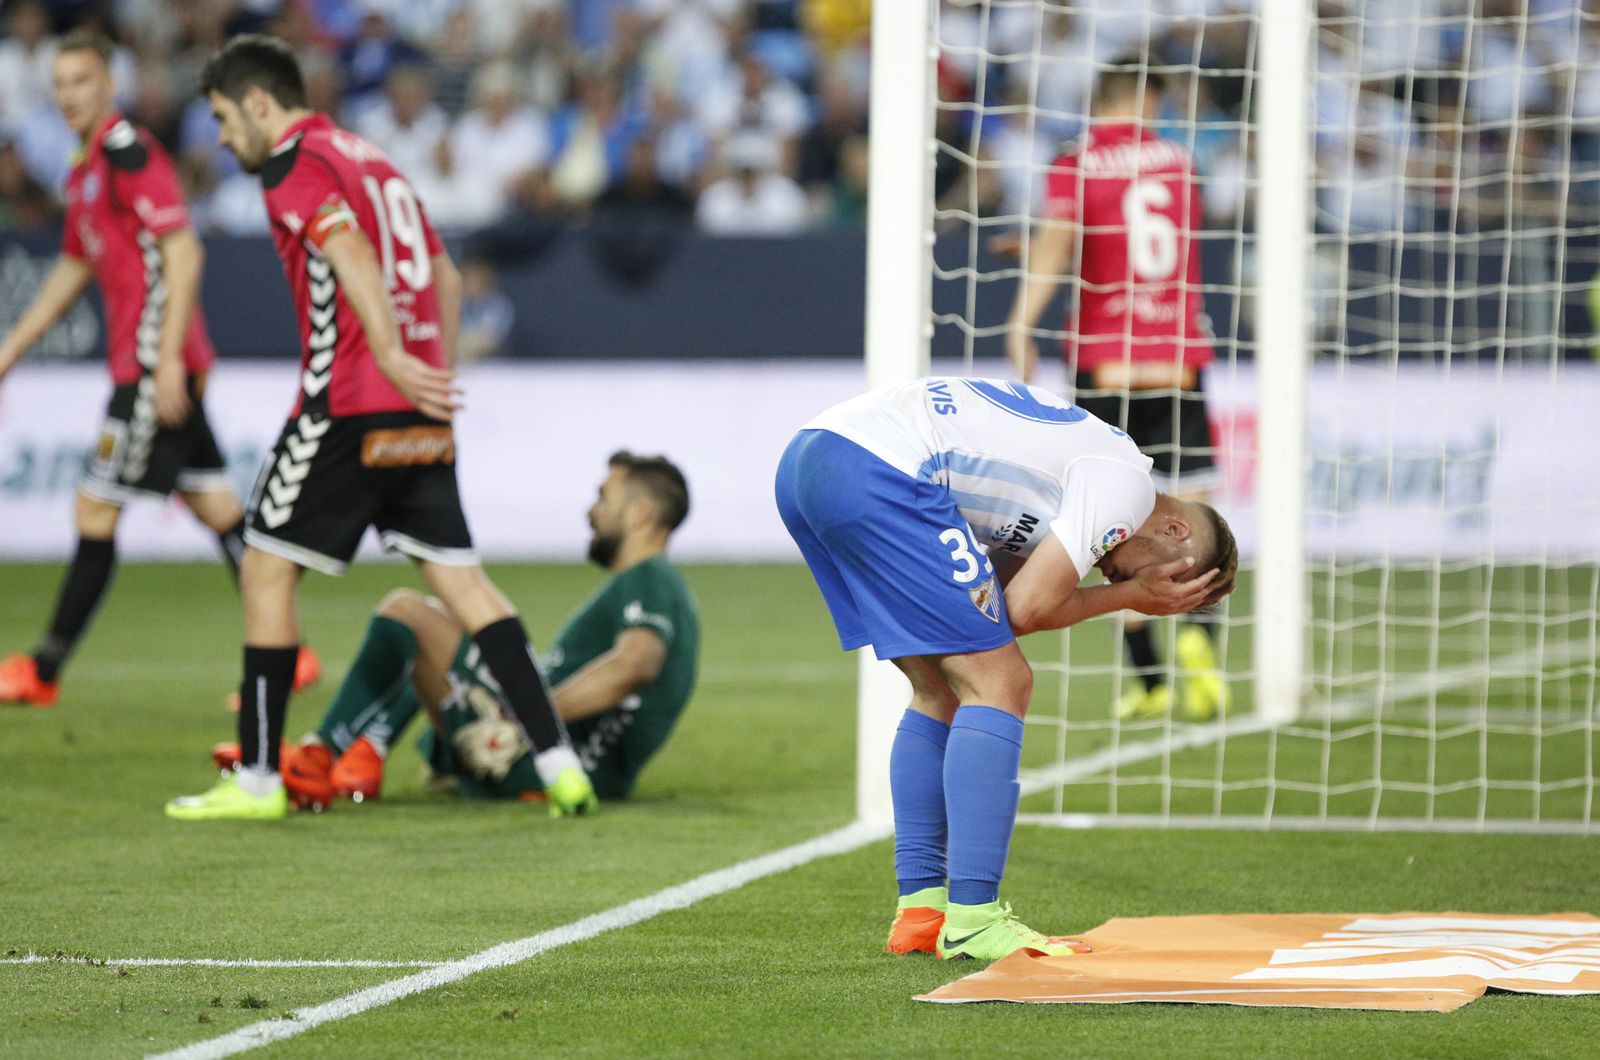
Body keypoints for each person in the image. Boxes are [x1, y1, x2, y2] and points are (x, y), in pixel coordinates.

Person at [165, 34, 595, 821]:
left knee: (263, 566)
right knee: (464, 583)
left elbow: (349, 250)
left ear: (260, 101)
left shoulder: (294, 164)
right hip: (418, 408)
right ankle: (561, 763)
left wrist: (392, 355)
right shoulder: (374, 158)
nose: (225, 139)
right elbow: (447, 273)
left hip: (350, 400)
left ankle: (258, 780)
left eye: (226, 119)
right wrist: (434, 372)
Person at [775, 376, 1236, 961]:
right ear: (1175, 531)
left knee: (942, 686)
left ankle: (923, 912)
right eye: (1172, 578)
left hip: (811, 459)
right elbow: (1029, 609)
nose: (1124, 581)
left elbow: (997, 617)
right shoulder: (1125, 489)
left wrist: (1126, 591)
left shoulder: (1074, 486)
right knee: (1003, 682)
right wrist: (1131, 598)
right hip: (879, 466)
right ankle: (975, 919)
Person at [0, 30, 317, 708]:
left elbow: (184, 251)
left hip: (151, 362)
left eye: (81, 82)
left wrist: (168, 358)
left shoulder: (128, 152)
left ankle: (44, 668)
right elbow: (74, 266)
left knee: (95, 503)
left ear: (108, 85)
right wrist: (12, 348)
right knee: (217, 506)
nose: (68, 97)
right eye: (59, 85)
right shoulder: (85, 168)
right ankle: (294, 653)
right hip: (154, 361)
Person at [211, 452, 699, 808]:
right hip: (534, 747)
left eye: (604, 498)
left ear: (640, 515)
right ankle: (361, 752)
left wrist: (524, 727)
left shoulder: (650, 579)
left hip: (540, 755)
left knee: (408, 613)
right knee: (437, 620)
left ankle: (324, 755)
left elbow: (636, 664)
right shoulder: (653, 587)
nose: (591, 511)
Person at [1000, 60, 1227, 722]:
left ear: (1098, 100)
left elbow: (1065, 240)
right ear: (1146, 97)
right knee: (1196, 512)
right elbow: (1145, 243)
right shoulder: (1179, 162)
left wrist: (1023, 318)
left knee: (1109, 529)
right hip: (1179, 358)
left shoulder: (1076, 162)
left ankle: (1149, 681)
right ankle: (1200, 639)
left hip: (1107, 363)